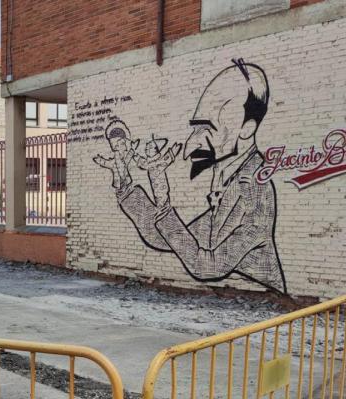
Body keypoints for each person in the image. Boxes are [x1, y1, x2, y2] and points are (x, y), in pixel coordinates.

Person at [97, 59, 287, 294]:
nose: (190, 144)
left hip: (264, 303)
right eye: (195, 129)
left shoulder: (255, 189)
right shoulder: (229, 184)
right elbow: (164, 238)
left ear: (246, 129)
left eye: (207, 129)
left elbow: (207, 266)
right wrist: (129, 180)